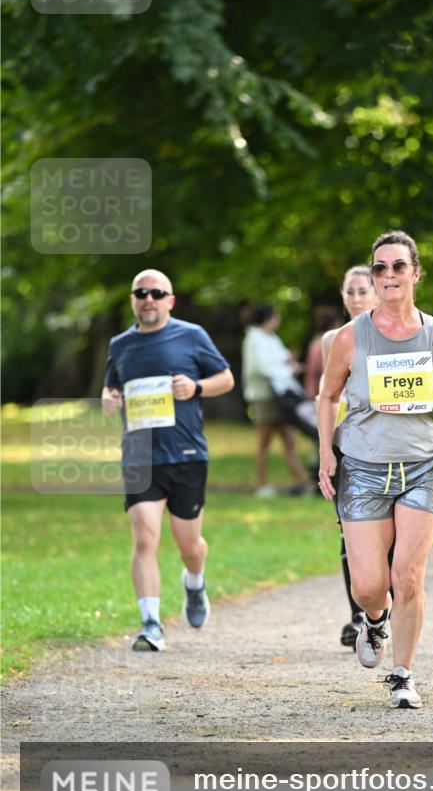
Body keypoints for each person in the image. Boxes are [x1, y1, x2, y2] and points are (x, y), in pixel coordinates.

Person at [318, 231, 433, 709]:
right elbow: (327, 397)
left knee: (407, 575)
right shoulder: (350, 337)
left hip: (425, 466)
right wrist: (327, 452)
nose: (388, 275)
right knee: (369, 585)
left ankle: (402, 674)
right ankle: (374, 619)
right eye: (380, 268)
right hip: (363, 468)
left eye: (397, 267)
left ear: (415, 273)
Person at [102, 269, 235, 652]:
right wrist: (109, 398)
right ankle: (150, 624)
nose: (149, 298)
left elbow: (225, 378)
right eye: (141, 292)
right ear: (132, 299)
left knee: (188, 544)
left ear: (169, 300)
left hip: (187, 454)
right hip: (140, 456)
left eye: (157, 293)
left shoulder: (191, 336)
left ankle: (194, 581)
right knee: (144, 536)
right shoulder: (120, 345)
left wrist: (195, 387)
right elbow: (112, 386)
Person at [320, 266, 379, 647]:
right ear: (344, 296)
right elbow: (327, 397)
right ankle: (358, 615)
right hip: (348, 443)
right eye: (351, 292)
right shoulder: (333, 340)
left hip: (390, 445)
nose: (357, 298)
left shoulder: (399, 337)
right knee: (348, 530)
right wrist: (326, 448)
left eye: (364, 291)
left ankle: (380, 609)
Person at [241, 303, 312, 497]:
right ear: (269, 318)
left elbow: (278, 361)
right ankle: (262, 484)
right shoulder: (254, 339)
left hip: (280, 397)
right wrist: (289, 368)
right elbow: (263, 368)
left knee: (289, 440)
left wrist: (289, 361)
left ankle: (303, 482)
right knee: (264, 442)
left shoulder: (270, 338)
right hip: (263, 397)